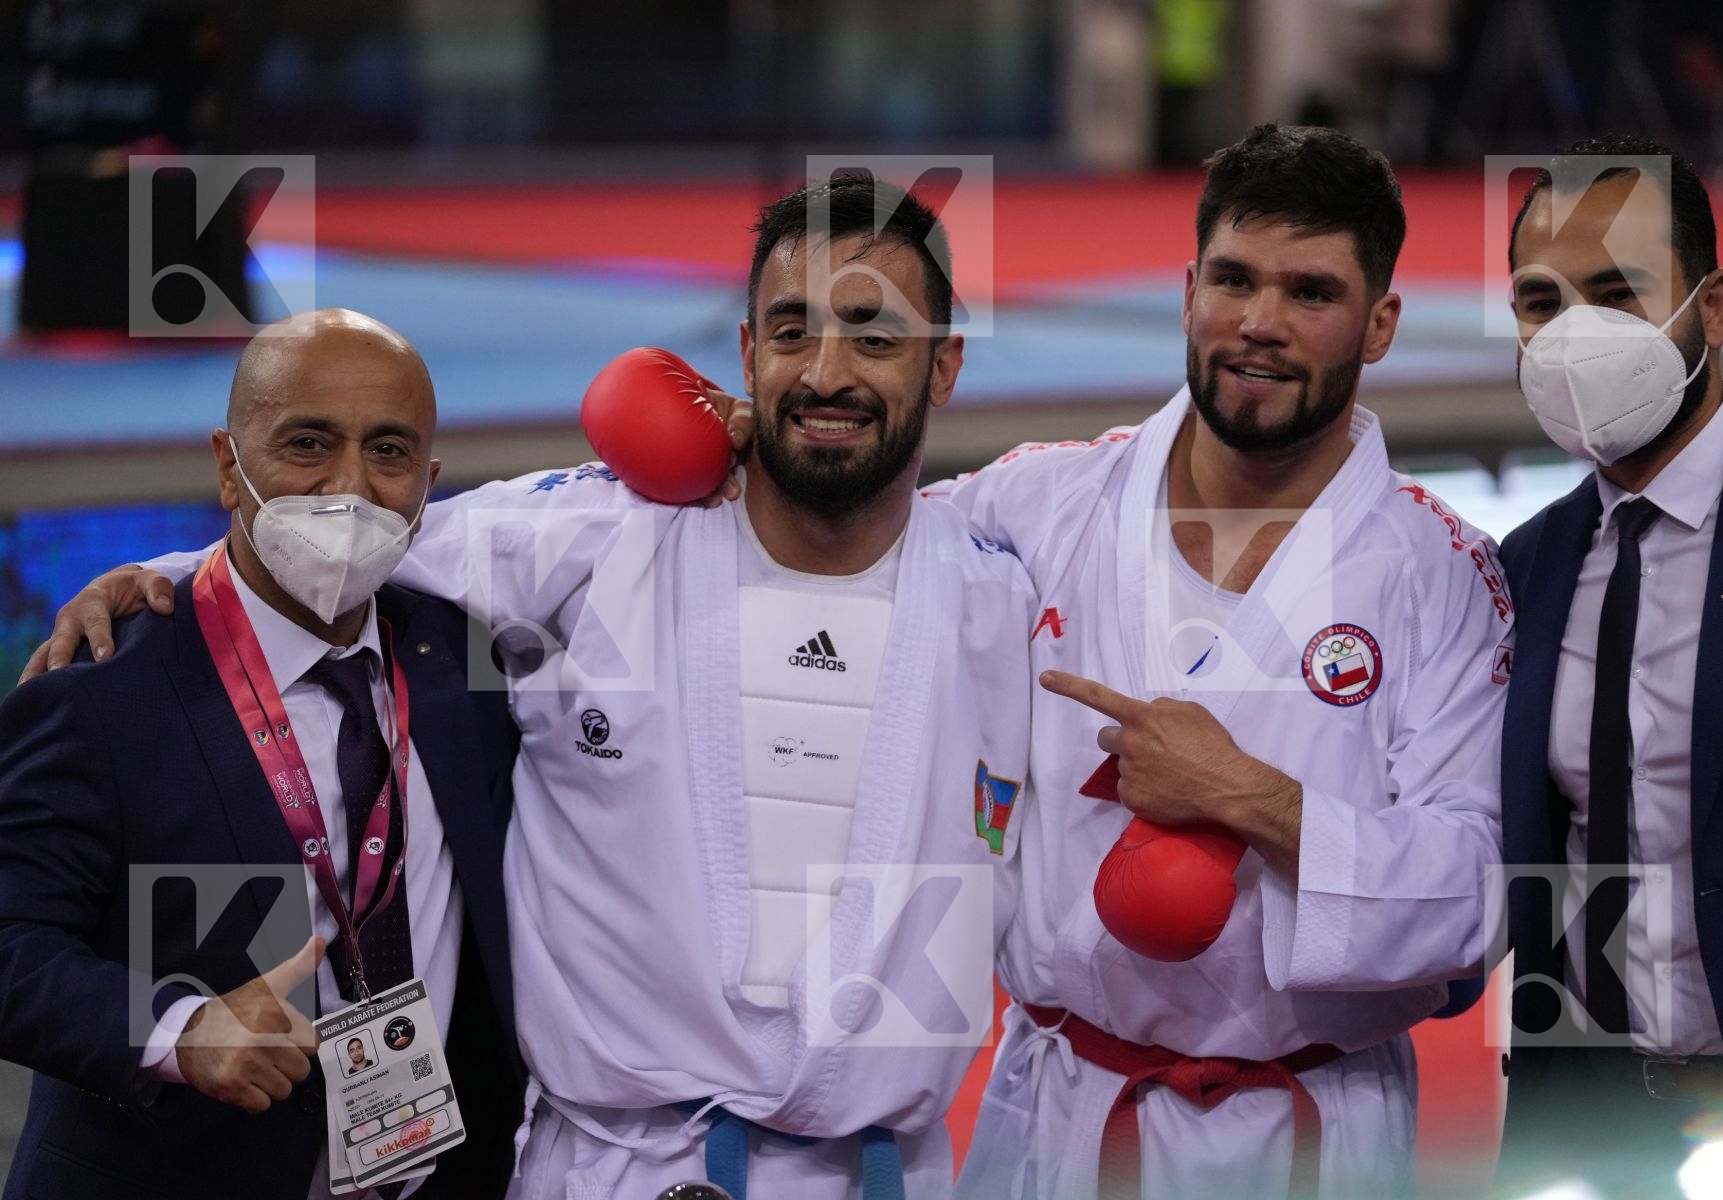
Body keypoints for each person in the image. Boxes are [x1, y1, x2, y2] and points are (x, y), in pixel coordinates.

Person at [30, 178, 1035, 1198]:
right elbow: (355, 537)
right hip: (615, 1171)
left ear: (945, 364)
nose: (826, 372)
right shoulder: (593, 542)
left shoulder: (1004, 605)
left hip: (886, 1174)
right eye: (792, 332)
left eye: (875, 337)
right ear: (745, 355)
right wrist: (162, 576)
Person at [921, 123, 1512, 1197]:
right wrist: (745, 451)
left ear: (1380, 325)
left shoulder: (1444, 574)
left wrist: (1249, 799)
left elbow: (1478, 898)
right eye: (1234, 280)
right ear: (1190, 291)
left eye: (1311, 293)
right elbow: (851, 553)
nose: (1260, 323)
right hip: (1061, 1110)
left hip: (1314, 1129)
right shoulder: (1036, 504)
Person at [0, 309, 523, 1200]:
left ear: (428, 482)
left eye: (388, 451)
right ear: (227, 465)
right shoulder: (102, 688)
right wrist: (177, 1031)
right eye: (308, 443)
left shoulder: (466, 664)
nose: (349, 488)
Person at [1497, 134, 1723, 1193]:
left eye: (1618, 293)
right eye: (1541, 301)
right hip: (1587, 1130)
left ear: (1711, 310)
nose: (1573, 334)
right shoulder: (1525, 567)